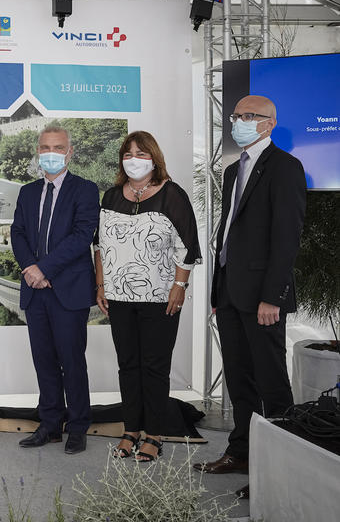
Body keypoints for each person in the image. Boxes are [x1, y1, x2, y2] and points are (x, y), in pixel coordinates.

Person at [194, 95, 306, 495]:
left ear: (269, 123)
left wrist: (273, 297)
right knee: (239, 383)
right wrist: (216, 289)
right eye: (236, 115)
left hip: (263, 298)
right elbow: (228, 234)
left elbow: (286, 238)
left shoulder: (286, 168)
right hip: (230, 294)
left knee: (271, 384)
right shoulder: (231, 170)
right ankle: (241, 454)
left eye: (249, 116)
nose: (239, 121)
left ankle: (281, 469)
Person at [94, 131, 201, 462]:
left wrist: (179, 286)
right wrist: (100, 285)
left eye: (140, 153)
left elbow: (187, 247)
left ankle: (153, 433)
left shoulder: (172, 195)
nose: (133, 159)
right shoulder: (111, 196)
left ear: (154, 158)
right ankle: (131, 430)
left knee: (154, 366)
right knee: (128, 365)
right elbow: (99, 246)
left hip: (160, 297)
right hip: (118, 297)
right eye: (128, 153)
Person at [11, 125, 100, 455]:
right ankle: (49, 425)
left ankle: (77, 427)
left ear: (70, 152)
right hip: (35, 291)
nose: (51, 153)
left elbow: (81, 237)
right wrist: (30, 271)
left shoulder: (86, 190)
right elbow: (17, 233)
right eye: (45, 147)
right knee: (44, 360)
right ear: (38, 151)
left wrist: (43, 269)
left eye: (58, 147)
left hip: (68, 290)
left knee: (72, 360)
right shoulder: (28, 192)